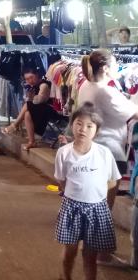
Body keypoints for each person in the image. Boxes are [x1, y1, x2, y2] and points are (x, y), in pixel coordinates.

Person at [76, 48, 138, 265]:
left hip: (91, 148)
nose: (117, 68)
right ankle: (100, 254)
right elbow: (133, 112)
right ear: (104, 68)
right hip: (109, 151)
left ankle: (92, 248)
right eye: (114, 64)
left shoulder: (86, 86)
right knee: (104, 205)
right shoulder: (105, 91)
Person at [54, 105, 121, 280]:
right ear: (72, 125)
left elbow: (112, 182)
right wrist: (73, 193)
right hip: (71, 208)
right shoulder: (63, 153)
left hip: (97, 209)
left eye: (89, 126)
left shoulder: (104, 153)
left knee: (90, 256)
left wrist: (105, 204)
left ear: (96, 130)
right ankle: (64, 277)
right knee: (70, 251)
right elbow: (61, 180)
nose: (83, 129)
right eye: (79, 123)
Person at [3, 67, 62, 150]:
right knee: (27, 113)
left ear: (37, 75)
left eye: (31, 77)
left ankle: (15, 125)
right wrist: (30, 98)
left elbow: (40, 100)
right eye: (27, 79)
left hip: (53, 110)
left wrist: (31, 97)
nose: (30, 80)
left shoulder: (43, 85)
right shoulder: (33, 86)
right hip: (42, 109)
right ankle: (31, 141)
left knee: (28, 105)